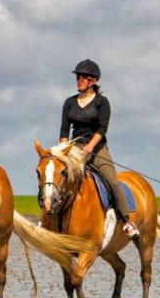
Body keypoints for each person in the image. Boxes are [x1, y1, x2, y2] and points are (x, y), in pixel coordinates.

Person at [59, 59, 138, 238]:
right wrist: (64, 148)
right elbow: (64, 129)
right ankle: (51, 219)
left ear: (93, 80)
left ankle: (126, 221)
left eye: (82, 77)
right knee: (57, 177)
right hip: (74, 148)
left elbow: (102, 129)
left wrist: (89, 147)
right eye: (77, 77)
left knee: (112, 180)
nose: (78, 80)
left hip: (96, 147)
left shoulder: (102, 102)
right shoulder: (69, 102)